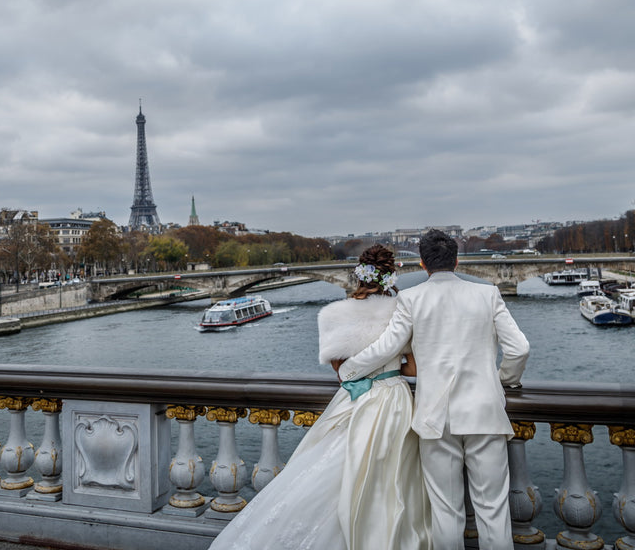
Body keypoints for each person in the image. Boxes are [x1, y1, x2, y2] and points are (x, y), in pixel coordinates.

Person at [209, 244, 431, 550]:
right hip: (393, 402)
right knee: (394, 482)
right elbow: (414, 368)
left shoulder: (334, 315)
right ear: (390, 278)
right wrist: (392, 365)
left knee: (328, 471)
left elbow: (342, 374)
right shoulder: (401, 312)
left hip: (353, 400)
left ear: (358, 276)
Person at [339, 230, 529, 550]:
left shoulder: (411, 299)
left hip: (435, 419)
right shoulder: (488, 294)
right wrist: (504, 379)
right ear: (456, 260)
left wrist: (349, 370)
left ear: (423, 265)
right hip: (484, 412)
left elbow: (387, 348)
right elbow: (519, 348)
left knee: (446, 512)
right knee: (493, 511)